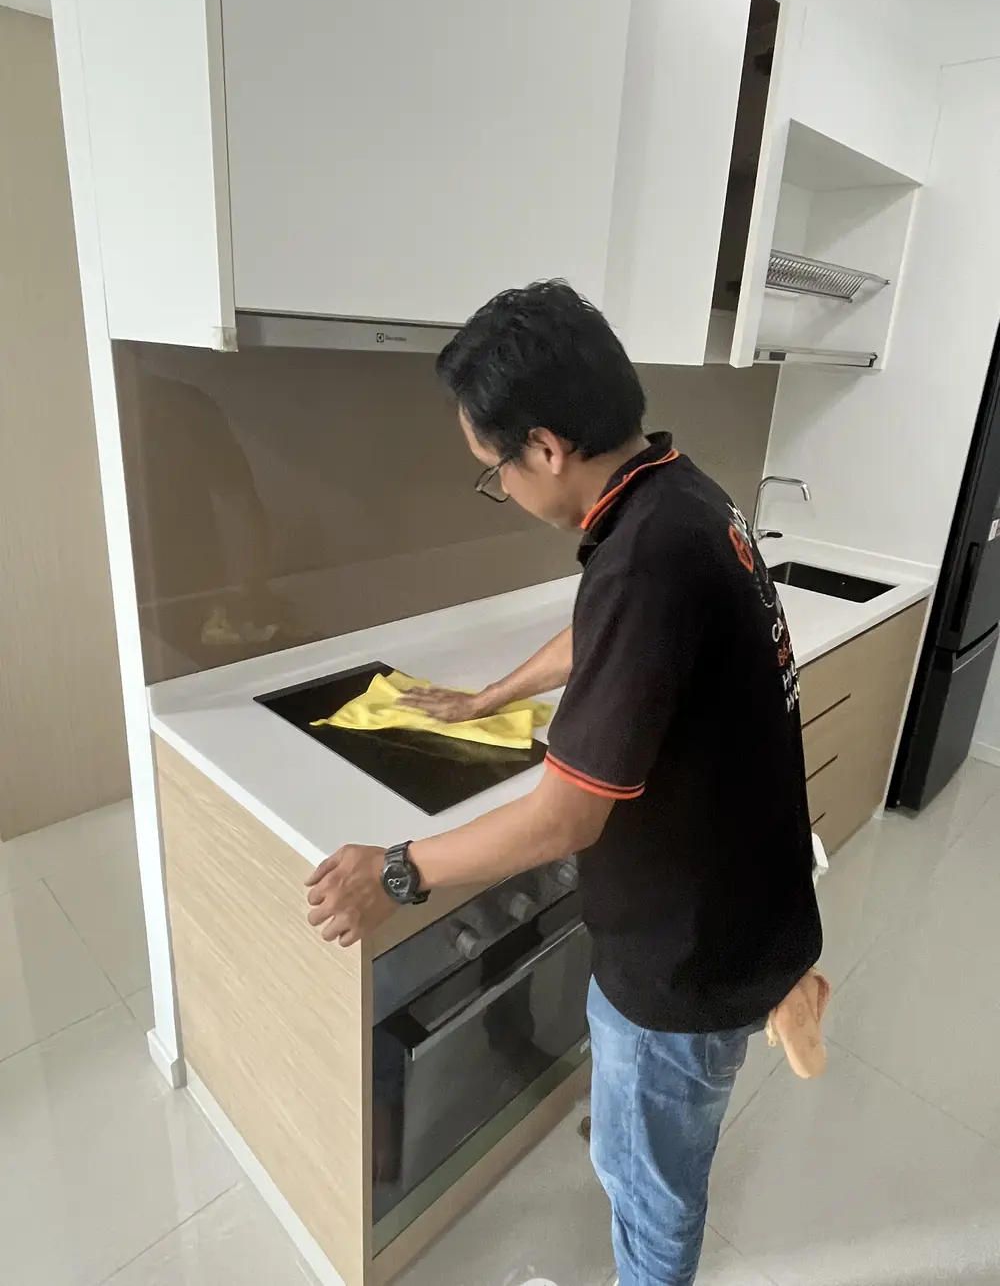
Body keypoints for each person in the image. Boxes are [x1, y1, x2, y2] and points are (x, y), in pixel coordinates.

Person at [305, 280, 823, 1286]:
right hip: (739, 914)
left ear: (543, 447)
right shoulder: (675, 493)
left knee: (647, 1192)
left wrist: (396, 871)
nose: (501, 486)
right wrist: (490, 694)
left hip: (684, 961)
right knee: (645, 1159)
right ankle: (755, 1020)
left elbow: (564, 817)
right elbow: (604, 629)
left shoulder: (644, 556)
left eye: (492, 468)